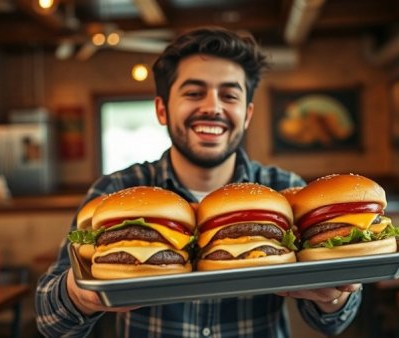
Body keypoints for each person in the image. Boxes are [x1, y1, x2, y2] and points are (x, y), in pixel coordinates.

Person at [35, 27, 362, 338]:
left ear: (246, 115)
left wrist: (333, 299)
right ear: (162, 110)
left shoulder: (287, 190)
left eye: (229, 95)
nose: (212, 107)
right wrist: (82, 295)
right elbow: (49, 321)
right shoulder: (113, 191)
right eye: (194, 93)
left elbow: (333, 324)